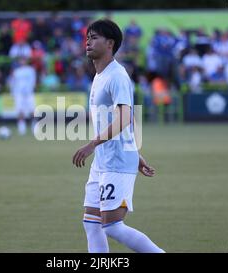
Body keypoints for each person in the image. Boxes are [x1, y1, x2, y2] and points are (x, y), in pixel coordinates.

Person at [72, 19, 165, 253]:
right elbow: (125, 120)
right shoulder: (99, 75)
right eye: (87, 37)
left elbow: (124, 117)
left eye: (94, 37)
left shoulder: (117, 75)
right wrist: (136, 152)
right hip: (104, 161)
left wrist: (92, 144)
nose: (88, 42)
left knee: (112, 225)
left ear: (110, 43)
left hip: (115, 161)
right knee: (91, 223)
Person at [7, 57, 36, 135]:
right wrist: (12, 92)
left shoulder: (30, 70)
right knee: (20, 111)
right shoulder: (16, 71)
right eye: (21, 60)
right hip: (18, 94)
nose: (22, 62)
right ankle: (21, 127)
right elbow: (12, 82)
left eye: (23, 60)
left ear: (26, 61)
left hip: (29, 93)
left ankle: (34, 126)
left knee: (32, 111)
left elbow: (33, 81)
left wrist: (30, 89)